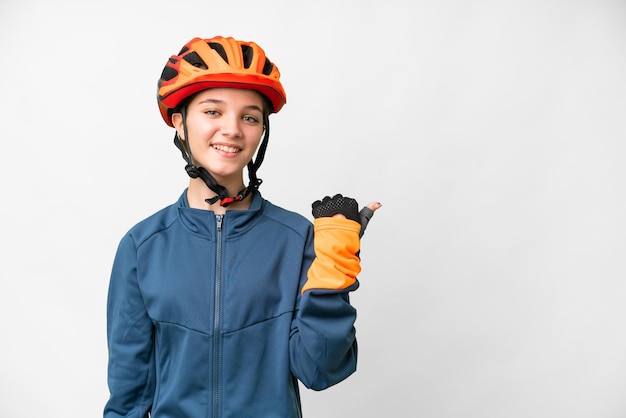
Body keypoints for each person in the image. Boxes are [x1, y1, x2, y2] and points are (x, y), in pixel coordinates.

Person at [104, 35, 381, 418]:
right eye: (213, 112)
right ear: (180, 124)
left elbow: (320, 369)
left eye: (249, 117)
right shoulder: (142, 246)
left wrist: (334, 267)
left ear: (261, 132)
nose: (232, 129)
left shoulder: (296, 238)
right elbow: (128, 396)